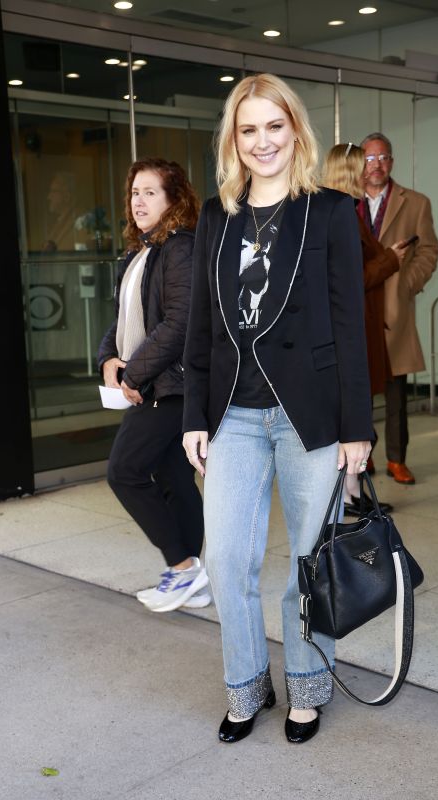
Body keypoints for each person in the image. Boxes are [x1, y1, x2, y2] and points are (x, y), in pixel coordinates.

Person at [182, 74, 373, 745]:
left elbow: (351, 325)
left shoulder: (327, 211)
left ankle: (308, 687)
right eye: (248, 128)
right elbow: (201, 324)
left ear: (296, 129)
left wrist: (358, 429)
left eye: (274, 126)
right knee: (227, 560)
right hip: (232, 412)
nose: (262, 141)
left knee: (308, 564)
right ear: (233, 139)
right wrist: (192, 416)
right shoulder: (215, 216)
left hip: (310, 414)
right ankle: (247, 684)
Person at [97, 157, 210, 612]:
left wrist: (135, 373)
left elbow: (180, 323)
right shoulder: (141, 251)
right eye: (134, 193)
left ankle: (183, 569)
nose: (138, 201)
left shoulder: (179, 247)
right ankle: (194, 578)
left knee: (124, 471)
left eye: (149, 192)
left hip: (170, 385)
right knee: (173, 477)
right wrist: (108, 357)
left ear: (173, 199)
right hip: (154, 381)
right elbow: (123, 318)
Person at [323, 142, 408, 516]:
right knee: (354, 414)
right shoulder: (341, 212)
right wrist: (390, 258)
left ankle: (353, 493)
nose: (369, 173)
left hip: (361, 322)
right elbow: (351, 278)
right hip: (354, 325)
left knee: (357, 413)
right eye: (363, 166)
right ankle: (350, 496)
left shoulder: (342, 210)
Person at [359, 132, 438, 484]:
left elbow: (429, 250)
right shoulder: (344, 201)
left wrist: (409, 284)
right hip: (359, 305)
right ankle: (364, 454)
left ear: (392, 161)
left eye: (384, 158)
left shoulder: (416, 202)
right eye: (369, 158)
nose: (377, 165)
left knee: (396, 392)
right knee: (359, 388)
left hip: (394, 306)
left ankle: (396, 459)